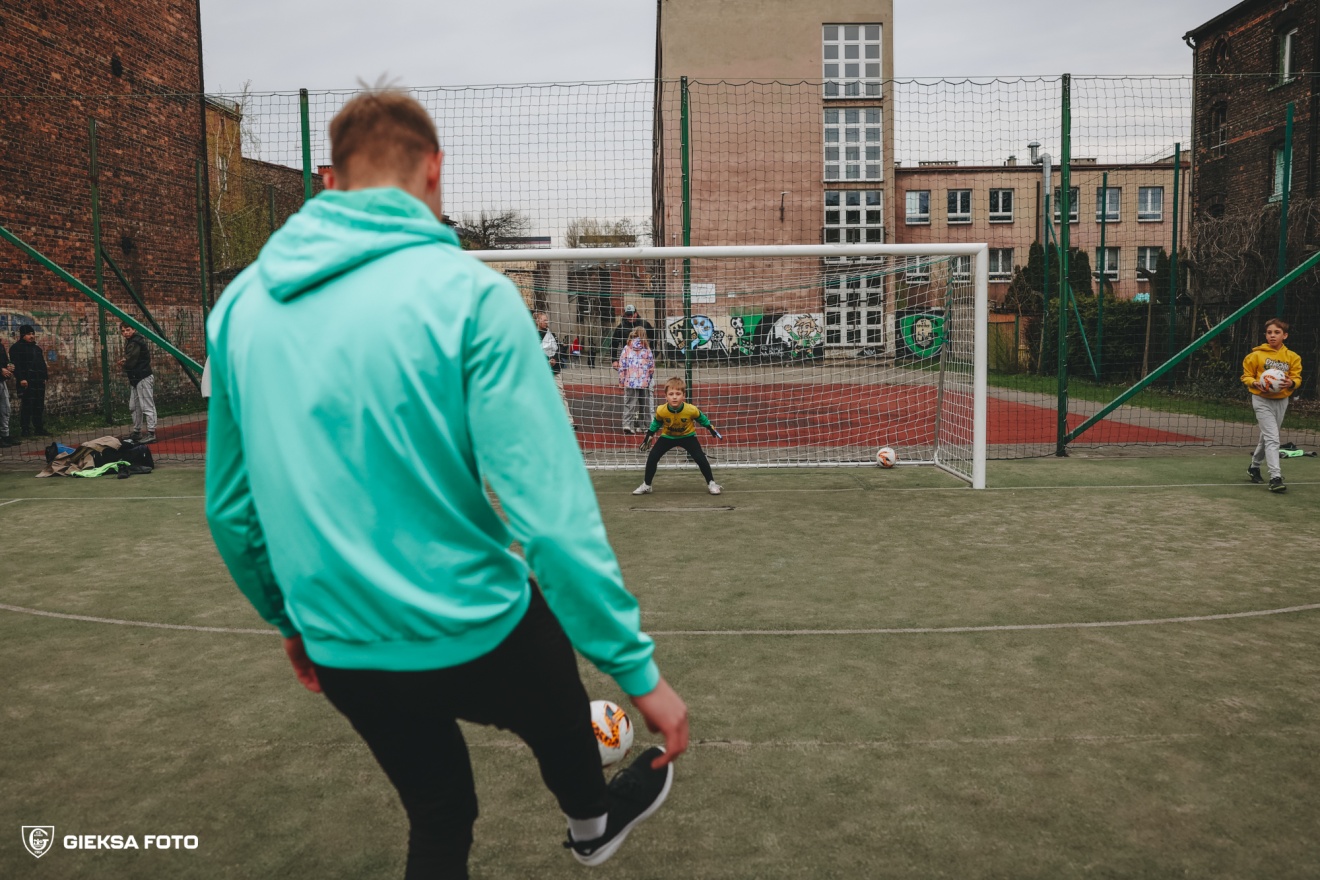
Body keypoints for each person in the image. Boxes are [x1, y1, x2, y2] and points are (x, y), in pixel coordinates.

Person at [204, 87, 687, 879]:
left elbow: (231, 510)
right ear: (435, 169)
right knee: (553, 694)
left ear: (328, 181)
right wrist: (637, 673)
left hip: (342, 638)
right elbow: (550, 522)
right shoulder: (474, 296)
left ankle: (578, 818)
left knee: (437, 815)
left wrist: (290, 620)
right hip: (475, 625)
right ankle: (592, 821)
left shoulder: (240, 309)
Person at [633, 376, 723, 496]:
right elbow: (657, 422)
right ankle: (647, 485)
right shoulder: (661, 410)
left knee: (700, 458)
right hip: (668, 437)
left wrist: (710, 428)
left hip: (688, 436)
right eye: (671, 394)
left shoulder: (691, 409)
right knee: (653, 457)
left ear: (683, 395)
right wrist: (649, 434)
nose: (674, 397)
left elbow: (701, 418)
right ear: (666, 396)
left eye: (678, 394)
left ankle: (711, 483)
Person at [1242, 316, 1302, 493]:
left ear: (1285, 335)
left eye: (1277, 332)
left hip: (1282, 400)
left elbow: (1297, 377)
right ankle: (1275, 477)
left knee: (1267, 436)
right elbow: (1246, 376)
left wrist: (1291, 383)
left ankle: (1254, 467)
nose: (1272, 335)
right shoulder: (1255, 355)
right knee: (1273, 438)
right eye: (1269, 332)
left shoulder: (1292, 357)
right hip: (1261, 400)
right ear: (1265, 335)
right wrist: (1254, 383)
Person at [117, 323, 157, 443]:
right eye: (123, 331)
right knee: (134, 406)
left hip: (143, 376)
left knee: (147, 405)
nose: (125, 333)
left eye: (128, 330)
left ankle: (151, 433)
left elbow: (132, 360)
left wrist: (124, 363)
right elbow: (131, 358)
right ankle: (137, 432)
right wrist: (125, 361)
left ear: (134, 329)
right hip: (135, 378)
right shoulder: (131, 341)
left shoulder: (136, 341)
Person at [535, 310, 575, 428]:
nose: (546, 322)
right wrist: (546, 360)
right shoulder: (533, 336)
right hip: (541, 371)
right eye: (544, 320)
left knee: (560, 394)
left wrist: (555, 359)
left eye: (547, 320)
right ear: (537, 321)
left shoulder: (552, 335)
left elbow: (559, 349)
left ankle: (568, 421)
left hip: (554, 370)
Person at [10, 324, 50, 438]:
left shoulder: (37, 349)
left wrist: (44, 377)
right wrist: (21, 378)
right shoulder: (16, 348)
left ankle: (39, 428)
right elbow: (16, 365)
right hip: (26, 382)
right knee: (27, 405)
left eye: (33, 334)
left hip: (38, 381)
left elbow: (42, 364)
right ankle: (25, 429)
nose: (31, 336)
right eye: (28, 334)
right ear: (22, 335)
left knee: (39, 405)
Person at [617, 327, 655, 434]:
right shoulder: (646, 349)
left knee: (629, 403)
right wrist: (649, 378)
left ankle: (627, 425)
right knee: (644, 404)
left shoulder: (627, 348)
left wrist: (621, 381)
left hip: (630, 381)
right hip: (644, 381)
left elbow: (622, 365)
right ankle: (645, 426)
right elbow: (651, 366)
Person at [609, 305, 654, 370]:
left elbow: (653, 339)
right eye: (628, 315)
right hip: (627, 360)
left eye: (631, 314)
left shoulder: (645, 325)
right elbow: (613, 344)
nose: (630, 317)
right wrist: (614, 360)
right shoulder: (621, 327)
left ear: (636, 313)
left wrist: (651, 355)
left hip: (643, 360)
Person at [0, 336, 15, 446]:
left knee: (5, 409)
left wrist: (8, 367)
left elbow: (5, 362)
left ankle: (5, 435)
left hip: (1, 381)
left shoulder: (0, 346)